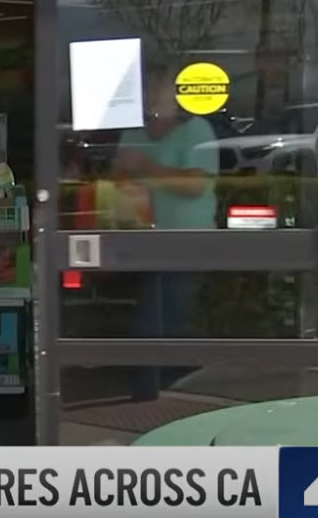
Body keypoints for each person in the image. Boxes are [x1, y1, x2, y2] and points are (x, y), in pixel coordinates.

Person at [113, 59, 218, 400]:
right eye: (148, 86)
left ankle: (152, 397)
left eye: (160, 86)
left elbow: (195, 185)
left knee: (159, 321)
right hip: (140, 242)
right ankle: (159, 392)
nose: (152, 94)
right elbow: (119, 179)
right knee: (152, 318)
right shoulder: (133, 132)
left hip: (186, 244)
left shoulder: (197, 131)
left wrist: (146, 166)